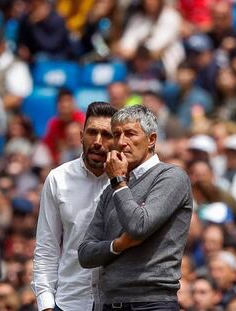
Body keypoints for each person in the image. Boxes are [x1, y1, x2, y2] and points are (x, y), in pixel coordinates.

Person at [78, 105, 193, 310]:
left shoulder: (171, 177)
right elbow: (85, 253)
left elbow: (139, 225)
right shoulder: (112, 188)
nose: (121, 142)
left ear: (151, 140)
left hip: (152, 302)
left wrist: (119, 183)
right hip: (110, 302)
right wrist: (118, 245)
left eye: (130, 134)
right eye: (116, 135)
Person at [32, 102, 119, 311]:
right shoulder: (58, 179)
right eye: (92, 132)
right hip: (69, 302)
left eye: (106, 135)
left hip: (117, 302)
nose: (97, 142)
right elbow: (47, 246)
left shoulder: (131, 181)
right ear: (81, 136)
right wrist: (46, 305)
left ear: (118, 140)